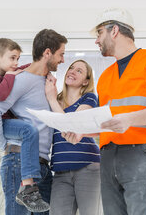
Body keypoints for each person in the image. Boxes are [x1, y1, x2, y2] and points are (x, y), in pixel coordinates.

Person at [64, 8, 146, 215]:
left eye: (99, 33)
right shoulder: (106, 76)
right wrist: (83, 133)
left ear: (114, 30)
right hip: (108, 159)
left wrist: (129, 119)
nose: (97, 41)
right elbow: (110, 123)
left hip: (143, 155)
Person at [0, 29, 67, 215]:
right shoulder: (21, 80)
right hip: (19, 162)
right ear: (47, 53)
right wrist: (1, 143)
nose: (63, 60)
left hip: (41, 165)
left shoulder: (47, 83)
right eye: (61, 54)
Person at [44, 60, 100, 215]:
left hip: (88, 167)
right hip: (60, 171)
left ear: (86, 81)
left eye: (79, 71)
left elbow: (73, 125)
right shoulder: (55, 100)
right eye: (71, 68)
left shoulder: (89, 98)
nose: (73, 71)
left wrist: (52, 100)